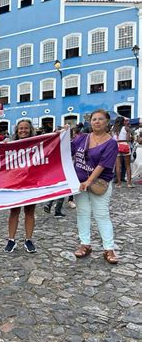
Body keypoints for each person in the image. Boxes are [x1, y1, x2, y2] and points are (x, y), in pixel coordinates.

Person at [72, 109, 119, 264]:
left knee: (102, 215)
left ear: (107, 122)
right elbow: (65, 150)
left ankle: (109, 248)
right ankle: (85, 244)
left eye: (100, 119)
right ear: (90, 122)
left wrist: (89, 181)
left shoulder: (111, 143)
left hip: (99, 183)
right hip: (80, 182)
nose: (97, 122)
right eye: (94, 119)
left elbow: (103, 165)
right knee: (82, 213)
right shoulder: (82, 138)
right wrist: (62, 136)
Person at [4, 119, 37, 254]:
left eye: (26, 128)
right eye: (21, 128)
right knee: (14, 212)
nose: (23, 131)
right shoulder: (11, 144)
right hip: (15, 183)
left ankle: (28, 239)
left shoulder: (37, 144)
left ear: (30, 130)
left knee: (29, 212)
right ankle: (11, 240)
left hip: (31, 182)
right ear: (17, 130)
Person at [111, 116, 135, 188]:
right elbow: (128, 139)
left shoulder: (113, 129)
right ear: (123, 121)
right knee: (127, 166)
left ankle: (119, 184)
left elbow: (112, 139)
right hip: (125, 146)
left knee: (118, 166)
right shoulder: (126, 128)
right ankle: (129, 183)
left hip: (116, 147)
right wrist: (129, 134)